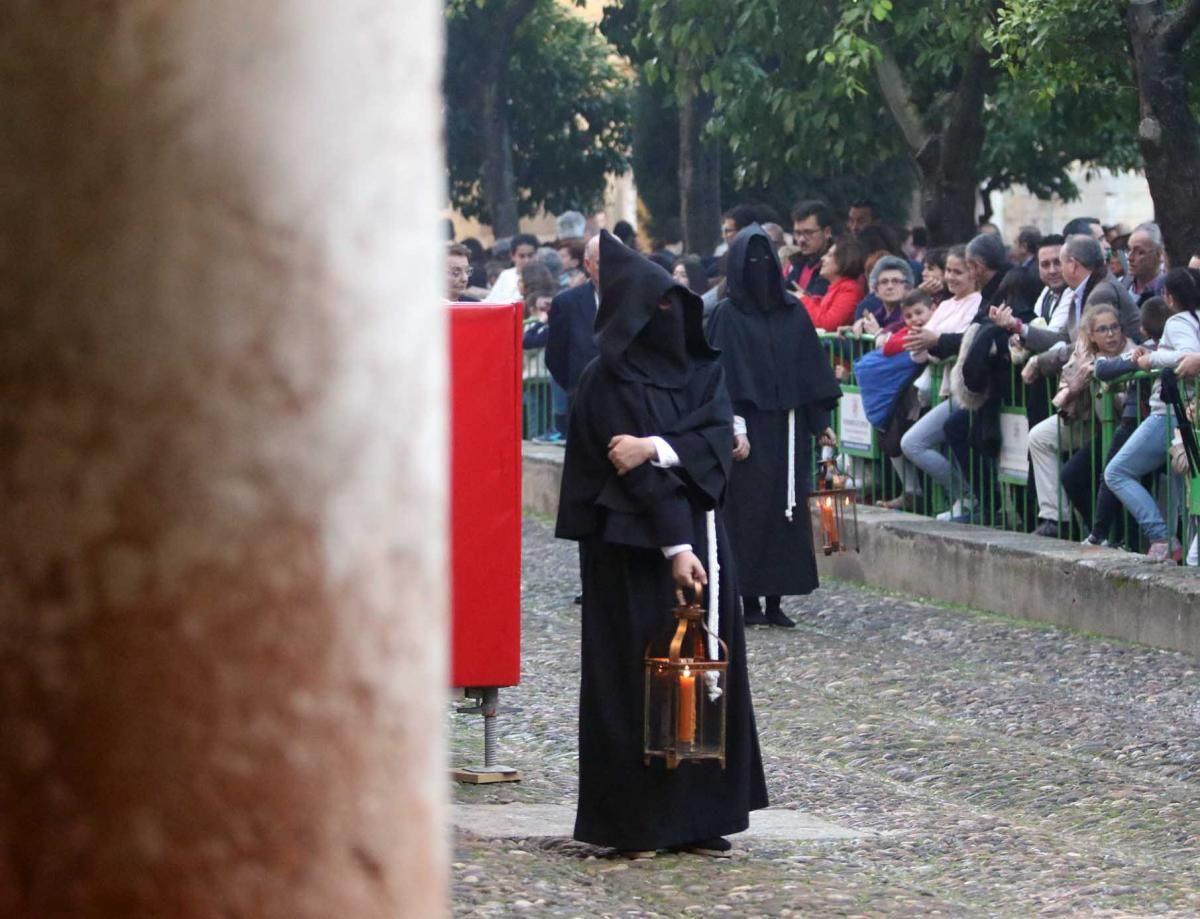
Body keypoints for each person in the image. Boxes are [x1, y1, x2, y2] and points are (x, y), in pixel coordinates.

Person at [555, 230, 768, 858]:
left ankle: (701, 815)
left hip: (702, 541)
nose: (671, 320)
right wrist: (675, 543)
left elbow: (715, 446)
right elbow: (630, 471)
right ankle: (637, 822)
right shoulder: (607, 379)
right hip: (633, 548)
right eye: (659, 308)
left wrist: (660, 446)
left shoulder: (702, 370)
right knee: (636, 681)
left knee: (704, 677)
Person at [708, 225, 841, 628]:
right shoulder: (726, 317)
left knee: (787, 512)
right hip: (747, 431)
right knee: (748, 514)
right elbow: (719, 376)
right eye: (751, 261)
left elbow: (807, 371)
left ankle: (776, 598)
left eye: (766, 259)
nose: (760, 268)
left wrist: (820, 423)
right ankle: (747, 597)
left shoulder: (792, 313)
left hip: (788, 427)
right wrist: (733, 426)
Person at [1104, 267, 1200, 560]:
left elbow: (1188, 355)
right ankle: (1177, 544)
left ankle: (1161, 536)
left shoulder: (1178, 321)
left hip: (1170, 413)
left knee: (1116, 471)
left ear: (1168, 297)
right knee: (1183, 492)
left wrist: (1151, 359)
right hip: (1182, 413)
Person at [1026, 304, 1137, 537]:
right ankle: (1055, 517)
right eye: (1103, 329)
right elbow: (1062, 399)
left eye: (1114, 328)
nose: (1110, 334)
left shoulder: (1131, 352)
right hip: (1086, 420)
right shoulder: (1084, 352)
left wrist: (1104, 382)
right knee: (1038, 436)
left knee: (1074, 474)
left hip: (1119, 427)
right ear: (1092, 336)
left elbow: (1127, 405)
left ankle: (1102, 532)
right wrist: (1075, 387)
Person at [800, 236, 866, 331]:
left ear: (844, 260)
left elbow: (828, 324)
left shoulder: (850, 290)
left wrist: (803, 300)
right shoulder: (838, 287)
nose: (822, 258)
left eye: (829, 255)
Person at [787, 200, 834, 298]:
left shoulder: (837, 267)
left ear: (827, 232)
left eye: (808, 233)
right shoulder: (795, 263)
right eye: (797, 233)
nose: (801, 240)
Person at [485, 232, 538, 303]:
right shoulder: (506, 275)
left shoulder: (541, 277)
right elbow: (490, 301)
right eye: (522, 256)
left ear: (536, 255)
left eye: (530, 255)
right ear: (513, 256)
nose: (526, 260)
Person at [1122, 222, 1166, 305]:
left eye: (1140, 252)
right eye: (1128, 249)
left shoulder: (1168, 292)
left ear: (1159, 254)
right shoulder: (1120, 286)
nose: (1129, 257)